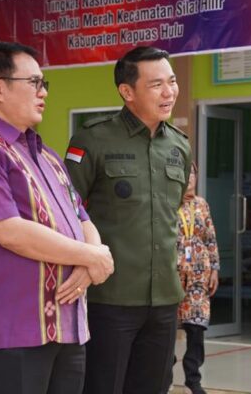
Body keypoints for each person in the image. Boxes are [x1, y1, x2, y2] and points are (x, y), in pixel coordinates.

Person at [0, 42, 114, 394]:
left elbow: (82, 218)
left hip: (66, 327)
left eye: (44, 83)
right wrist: (91, 257)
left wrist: (90, 259)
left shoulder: (47, 155)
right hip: (11, 332)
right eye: (34, 82)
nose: (43, 92)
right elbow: (9, 231)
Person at [64, 46, 191, 394]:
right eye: (156, 85)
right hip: (111, 298)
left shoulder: (179, 146)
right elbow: (66, 209)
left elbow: (169, 213)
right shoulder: (94, 138)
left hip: (164, 299)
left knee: (154, 387)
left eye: (173, 81)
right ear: (127, 91)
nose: (169, 93)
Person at [172, 163, 219, 394]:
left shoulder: (202, 204)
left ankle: (193, 379)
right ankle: (164, 372)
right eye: (185, 173)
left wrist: (215, 269)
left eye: (193, 173)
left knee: (196, 327)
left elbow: (210, 237)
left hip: (200, 275)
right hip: (172, 274)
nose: (189, 178)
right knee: (166, 327)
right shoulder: (168, 202)